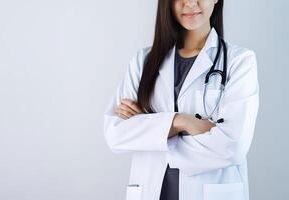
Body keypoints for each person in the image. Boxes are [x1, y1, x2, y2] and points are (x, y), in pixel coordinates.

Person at [103, 0, 259, 200]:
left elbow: (232, 146)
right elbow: (116, 135)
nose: (190, 3)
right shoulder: (142, 61)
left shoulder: (240, 61)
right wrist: (181, 121)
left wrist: (152, 131)